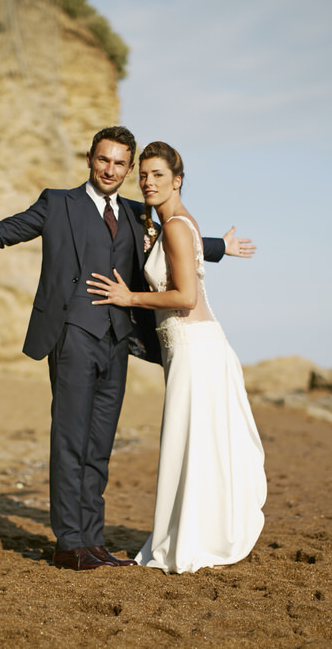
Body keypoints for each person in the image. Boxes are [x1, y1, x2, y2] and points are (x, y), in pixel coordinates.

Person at [0, 127, 255, 571]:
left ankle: (93, 540)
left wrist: (221, 247)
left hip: (118, 342)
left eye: (120, 164)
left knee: (99, 446)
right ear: (89, 159)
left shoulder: (140, 213)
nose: (111, 170)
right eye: (104, 160)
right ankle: (69, 541)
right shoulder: (58, 204)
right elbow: (3, 231)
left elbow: (179, 242)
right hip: (72, 336)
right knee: (70, 440)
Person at [86, 141, 267, 573]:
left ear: (177, 180)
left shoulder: (175, 227)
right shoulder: (175, 223)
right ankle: (195, 533)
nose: (148, 183)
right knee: (194, 446)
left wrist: (129, 296)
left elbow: (185, 296)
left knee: (193, 445)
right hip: (189, 347)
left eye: (158, 176)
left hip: (194, 347)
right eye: (143, 175)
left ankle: (194, 538)